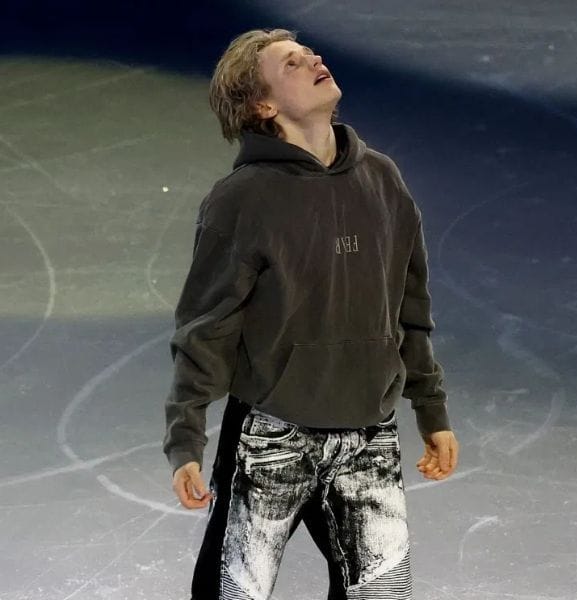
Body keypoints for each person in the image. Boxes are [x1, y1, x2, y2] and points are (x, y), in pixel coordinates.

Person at [161, 29, 459, 599]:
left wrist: (432, 409)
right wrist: (186, 440)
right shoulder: (242, 200)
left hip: (370, 436)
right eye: (291, 63)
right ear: (262, 106)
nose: (314, 59)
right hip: (272, 435)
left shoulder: (383, 181)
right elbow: (205, 327)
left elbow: (409, 307)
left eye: (309, 53)